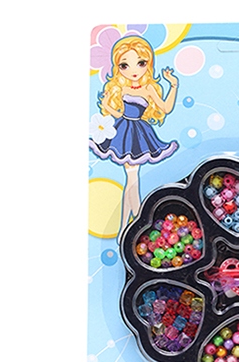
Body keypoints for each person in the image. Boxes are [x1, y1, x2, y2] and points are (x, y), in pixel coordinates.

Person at [89, 35, 179, 239]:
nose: (133, 70)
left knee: (131, 179)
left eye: (140, 63)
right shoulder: (121, 88)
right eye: (124, 65)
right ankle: (136, 224)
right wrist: (106, 106)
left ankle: (129, 227)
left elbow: (165, 108)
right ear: (118, 67)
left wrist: (173, 86)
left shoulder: (148, 89)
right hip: (122, 131)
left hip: (139, 133)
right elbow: (118, 113)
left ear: (148, 64)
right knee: (131, 178)